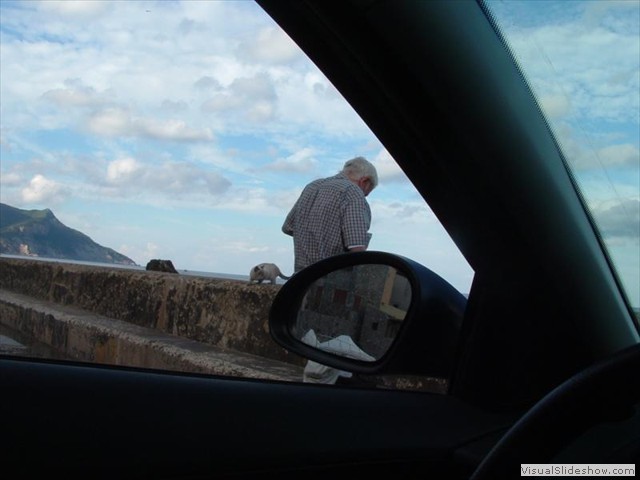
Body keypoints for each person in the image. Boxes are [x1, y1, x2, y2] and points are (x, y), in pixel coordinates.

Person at [282, 156, 378, 273]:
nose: (364, 196)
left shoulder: (312, 186)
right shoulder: (353, 191)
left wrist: (312, 238)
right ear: (364, 181)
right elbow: (356, 246)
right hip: (330, 277)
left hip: (301, 276)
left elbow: (288, 227)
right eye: (366, 193)